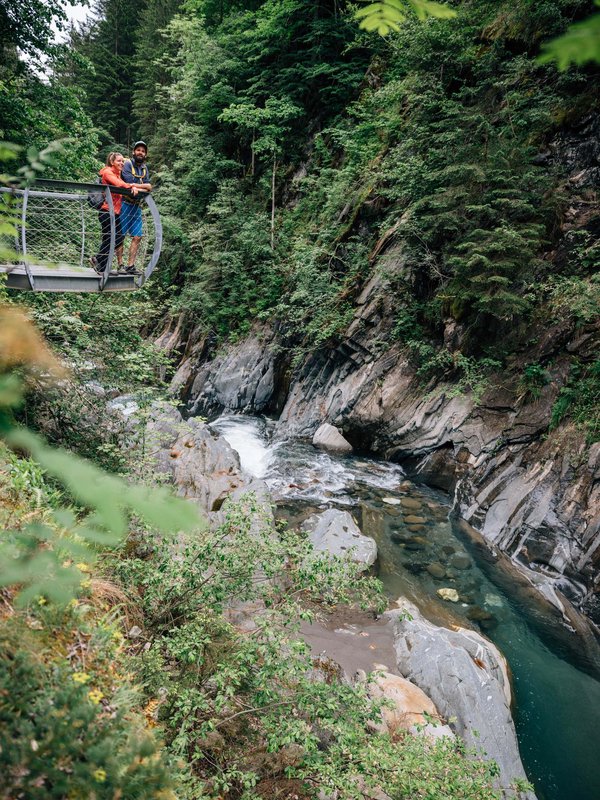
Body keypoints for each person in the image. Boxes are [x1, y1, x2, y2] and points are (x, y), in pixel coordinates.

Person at [90, 152, 142, 275]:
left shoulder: (116, 174)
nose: (122, 163)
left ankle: (101, 267)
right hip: (107, 211)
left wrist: (131, 187)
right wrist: (131, 186)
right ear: (112, 162)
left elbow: (120, 186)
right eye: (119, 161)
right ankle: (97, 260)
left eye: (123, 161)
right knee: (114, 238)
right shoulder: (107, 172)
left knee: (112, 238)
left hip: (114, 212)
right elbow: (119, 185)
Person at [120, 140, 153, 274]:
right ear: (133, 152)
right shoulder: (127, 164)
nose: (140, 152)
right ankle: (120, 265)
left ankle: (130, 265)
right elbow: (127, 183)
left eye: (143, 151)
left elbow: (149, 187)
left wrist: (136, 186)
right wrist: (142, 186)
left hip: (136, 206)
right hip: (124, 204)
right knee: (120, 235)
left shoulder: (145, 168)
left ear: (145, 154)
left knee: (137, 236)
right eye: (138, 150)